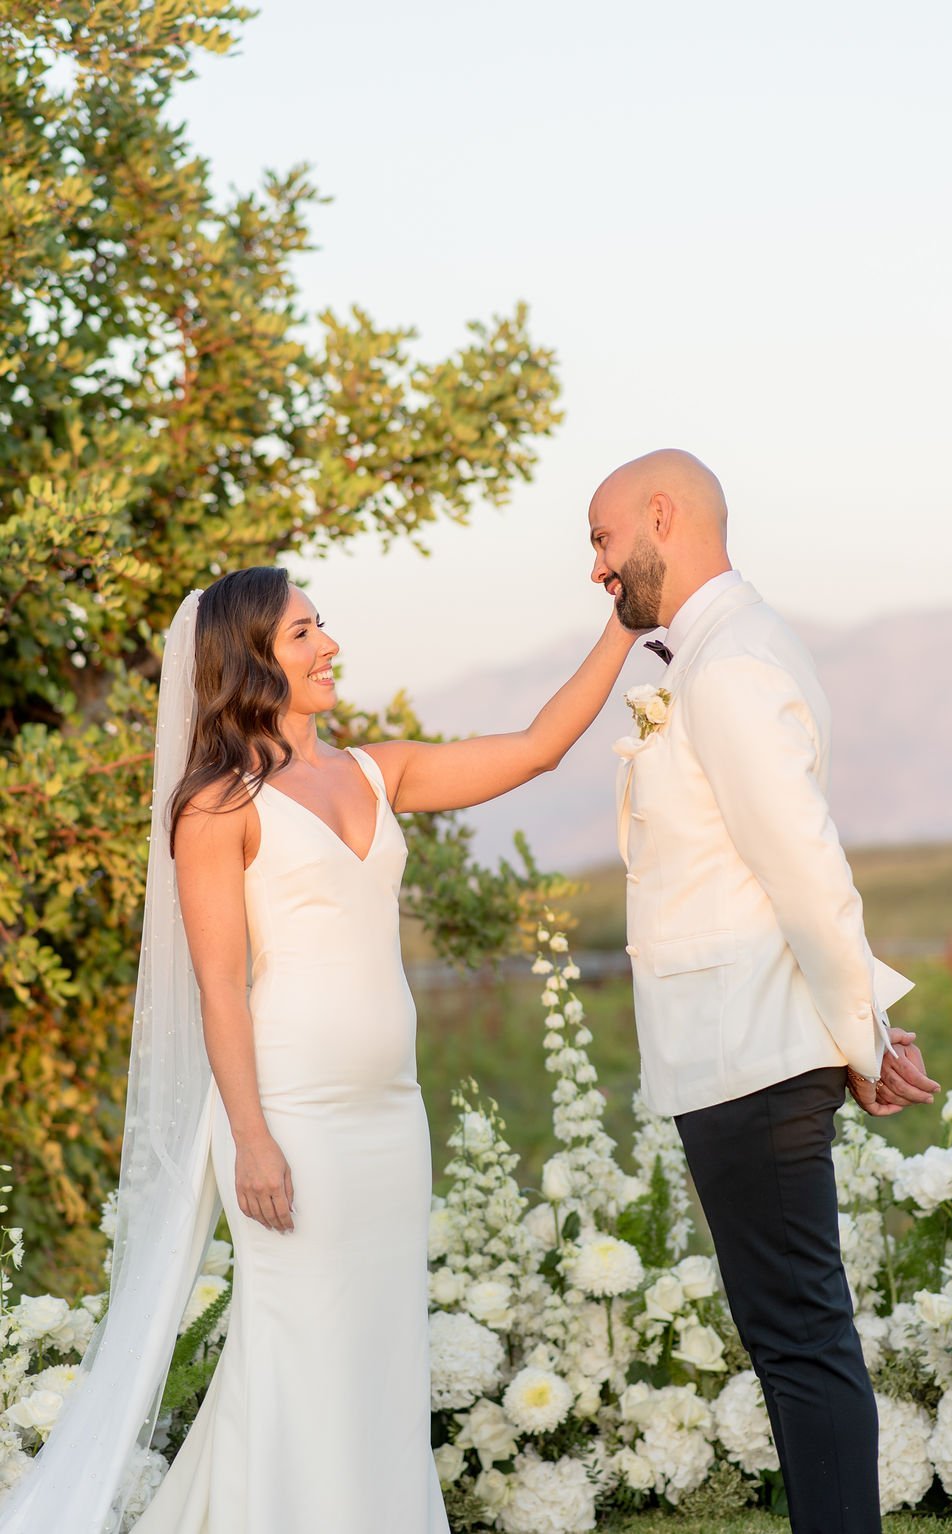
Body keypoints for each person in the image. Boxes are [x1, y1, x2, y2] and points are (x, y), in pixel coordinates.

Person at [1, 566, 638, 1534]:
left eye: (321, 626)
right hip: (290, 1114)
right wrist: (252, 1139)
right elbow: (219, 985)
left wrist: (622, 624)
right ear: (250, 657)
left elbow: (538, 749)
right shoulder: (217, 806)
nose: (329, 644)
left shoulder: (379, 771)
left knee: (377, 1345)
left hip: (390, 1110)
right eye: (303, 632)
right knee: (302, 1345)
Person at [589, 449, 940, 1534]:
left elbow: (802, 866)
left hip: (750, 1051)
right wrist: (861, 1024)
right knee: (791, 1336)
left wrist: (862, 1034)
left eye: (603, 540)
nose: (597, 568)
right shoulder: (714, 653)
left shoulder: (731, 663)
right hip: (737, 1049)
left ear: (661, 515)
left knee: (799, 1340)